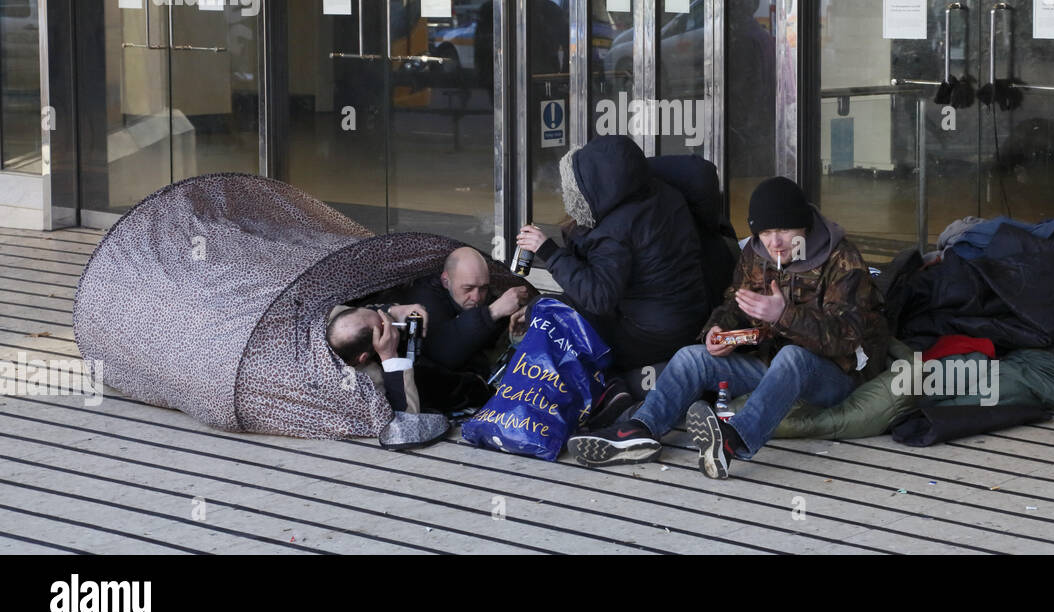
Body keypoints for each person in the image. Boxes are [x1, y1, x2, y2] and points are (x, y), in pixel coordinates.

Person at [567, 176, 888, 479]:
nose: (774, 242)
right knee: (691, 358)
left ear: (804, 225)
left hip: (834, 375)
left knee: (794, 357)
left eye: (784, 230)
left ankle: (731, 440)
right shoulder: (757, 253)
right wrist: (719, 330)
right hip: (771, 366)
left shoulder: (842, 260)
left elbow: (848, 338)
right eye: (765, 233)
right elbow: (734, 302)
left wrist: (783, 315)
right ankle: (639, 431)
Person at [515, 135, 710, 374]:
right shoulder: (662, 192)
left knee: (559, 313)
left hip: (652, 334)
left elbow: (599, 298)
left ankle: (607, 392)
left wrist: (548, 252)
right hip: (691, 315)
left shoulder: (613, 232)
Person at [326, 246, 531, 412]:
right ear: (365, 357)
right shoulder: (367, 381)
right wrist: (390, 357)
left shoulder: (334, 319)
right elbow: (406, 416)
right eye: (383, 324)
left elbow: (358, 312)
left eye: (483, 288)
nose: (477, 298)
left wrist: (394, 310)